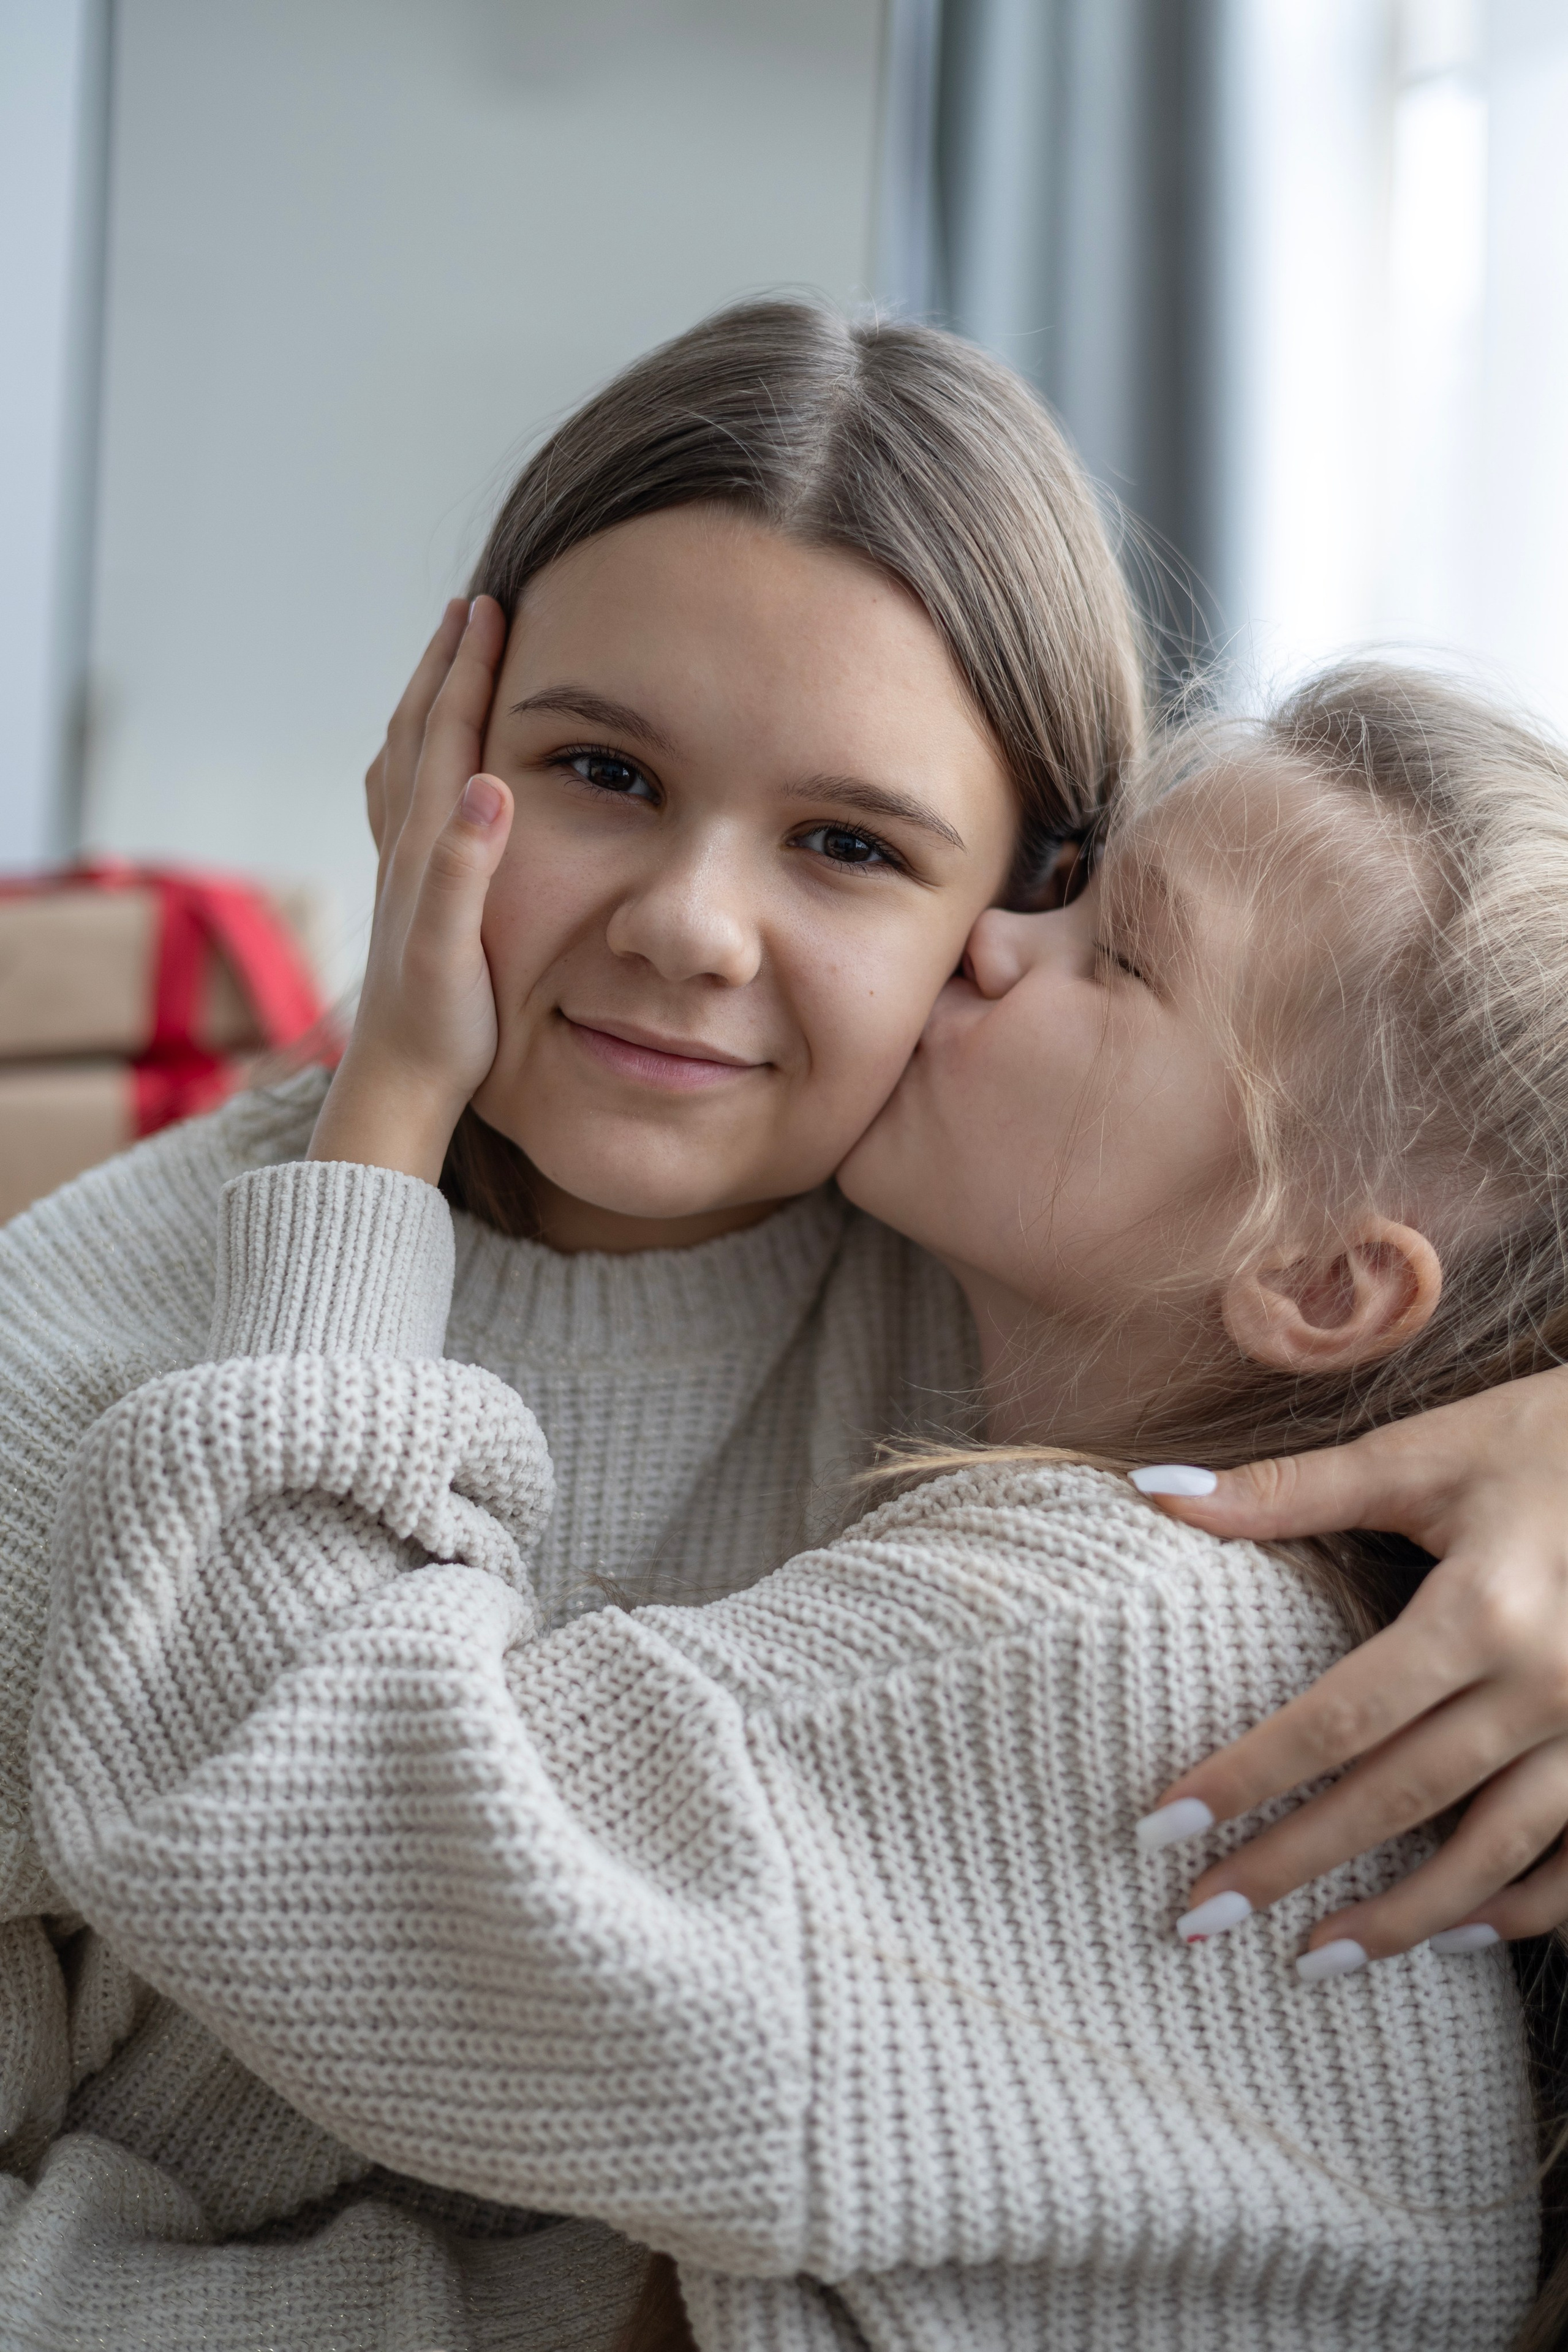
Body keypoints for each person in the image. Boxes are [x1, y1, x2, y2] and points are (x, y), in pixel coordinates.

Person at [33, 663, 1557, 2345]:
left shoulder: (1126, 1625)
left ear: (1327, 1287)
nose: (989, 934)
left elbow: (296, 1816)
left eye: (1116, 954)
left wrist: (381, 1120)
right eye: (1057, 886)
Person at [0, 298, 1146, 2348]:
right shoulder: (80, 1334)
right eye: (604, 771)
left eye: (847, 845)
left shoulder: (1044, 1358)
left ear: (1026, 912)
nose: (692, 925)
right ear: (443, 764)